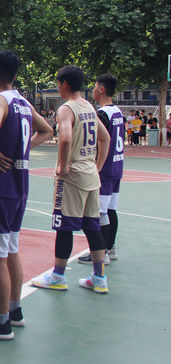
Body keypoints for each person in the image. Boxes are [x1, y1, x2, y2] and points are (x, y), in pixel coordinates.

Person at [0, 50, 53, 340]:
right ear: (15, 75)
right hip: (19, 186)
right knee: (11, 249)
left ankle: (1, 323)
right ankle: (14, 311)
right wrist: (22, 149)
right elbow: (47, 130)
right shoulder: (23, 102)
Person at [31, 65, 111, 294]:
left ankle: (58, 276)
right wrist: (97, 166)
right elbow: (105, 138)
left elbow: (65, 138)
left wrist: (63, 165)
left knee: (64, 227)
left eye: (58, 83)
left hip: (73, 176)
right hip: (90, 175)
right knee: (92, 227)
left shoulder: (66, 109)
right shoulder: (89, 107)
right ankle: (99, 278)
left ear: (64, 84)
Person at [78, 74, 124, 265]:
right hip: (117, 166)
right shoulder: (117, 112)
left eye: (95, 87)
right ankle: (110, 248)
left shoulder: (103, 114)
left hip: (104, 169)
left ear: (102, 90)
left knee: (99, 212)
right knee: (111, 209)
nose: (93, 90)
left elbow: (98, 141)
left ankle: (101, 252)